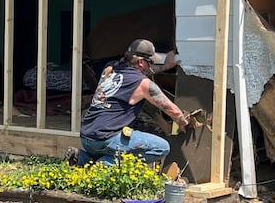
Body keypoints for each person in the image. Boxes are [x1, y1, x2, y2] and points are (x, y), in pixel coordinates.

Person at [66, 38, 189, 167]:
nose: (152, 66)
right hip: (106, 138)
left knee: (111, 148)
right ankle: (105, 166)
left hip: (87, 137)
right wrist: (182, 121)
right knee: (161, 147)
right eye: (151, 63)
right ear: (141, 62)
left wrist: (165, 67)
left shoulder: (110, 68)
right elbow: (170, 108)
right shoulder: (143, 84)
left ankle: (82, 158)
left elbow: (134, 75)